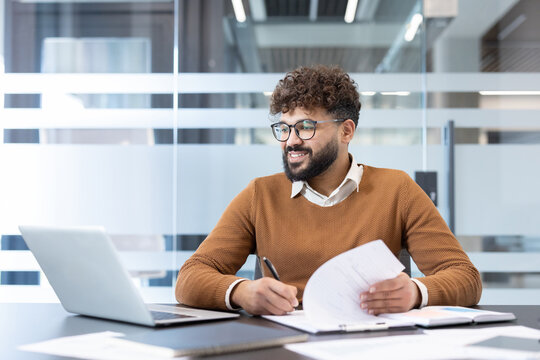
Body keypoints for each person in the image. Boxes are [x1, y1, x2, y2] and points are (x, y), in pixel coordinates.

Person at [175, 65, 482, 316]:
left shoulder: (397, 189)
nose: (291, 141)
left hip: (372, 345)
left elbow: (464, 276)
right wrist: (241, 292)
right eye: (284, 128)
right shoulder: (260, 195)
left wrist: (416, 292)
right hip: (283, 345)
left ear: (346, 131)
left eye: (306, 126)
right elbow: (190, 277)